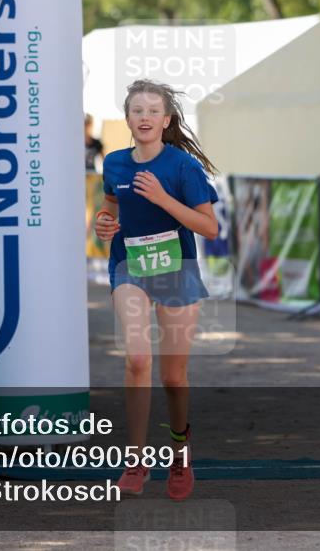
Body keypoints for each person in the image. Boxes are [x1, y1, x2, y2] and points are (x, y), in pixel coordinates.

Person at [94, 79, 219, 501]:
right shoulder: (113, 163)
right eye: (137, 111)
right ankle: (135, 459)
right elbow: (111, 207)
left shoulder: (182, 167)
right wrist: (104, 223)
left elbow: (209, 227)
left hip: (175, 269)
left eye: (153, 111)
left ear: (166, 121)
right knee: (137, 359)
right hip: (129, 266)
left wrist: (165, 200)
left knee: (172, 375)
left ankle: (181, 451)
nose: (144, 117)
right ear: (127, 119)